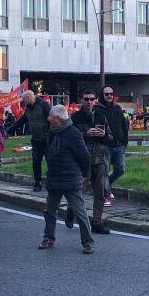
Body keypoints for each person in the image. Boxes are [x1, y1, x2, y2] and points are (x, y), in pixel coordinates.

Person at [39, 105, 94, 254]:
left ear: (58, 118)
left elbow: (84, 157)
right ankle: (48, 237)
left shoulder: (74, 133)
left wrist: (82, 175)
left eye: (51, 116)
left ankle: (87, 242)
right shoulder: (51, 132)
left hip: (71, 178)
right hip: (54, 177)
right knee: (49, 210)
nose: (48, 118)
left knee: (80, 211)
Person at [71, 89, 112, 234]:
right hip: (82, 159)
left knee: (100, 192)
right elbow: (70, 136)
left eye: (91, 99)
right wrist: (85, 134)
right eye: (86, 99)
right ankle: (71, 211)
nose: (89, 102)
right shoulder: (75, 117)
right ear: (82, 100)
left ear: (95, 100)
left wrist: (104, 134)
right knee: (78, 191)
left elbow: (110, 137)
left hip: (99, 158)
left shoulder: (101, 116)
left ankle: (97, 221)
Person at [9, 90, 52, 192]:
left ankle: (51, 182)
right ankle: (38, 183)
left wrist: (52, 136)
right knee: (36, 162)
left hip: (46, 139)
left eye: (24, 100)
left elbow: (51, 120)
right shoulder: (28, 108)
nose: (23, 102)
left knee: (51, 162)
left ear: (28, 97)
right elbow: (22, 120)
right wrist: (10, 129)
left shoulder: (43, 105)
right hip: (36, 140)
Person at [100, 86, 129, 205]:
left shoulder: (117, 108)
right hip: (105, 145)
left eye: (111, 94)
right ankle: (105, 194)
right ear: (102, 95)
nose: (109, 96)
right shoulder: (98, 109)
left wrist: (125, 141)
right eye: (106, 94)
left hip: (119, 145)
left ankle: (108, 185)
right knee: (105, 171)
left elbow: (124, 125)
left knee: (120, 169)